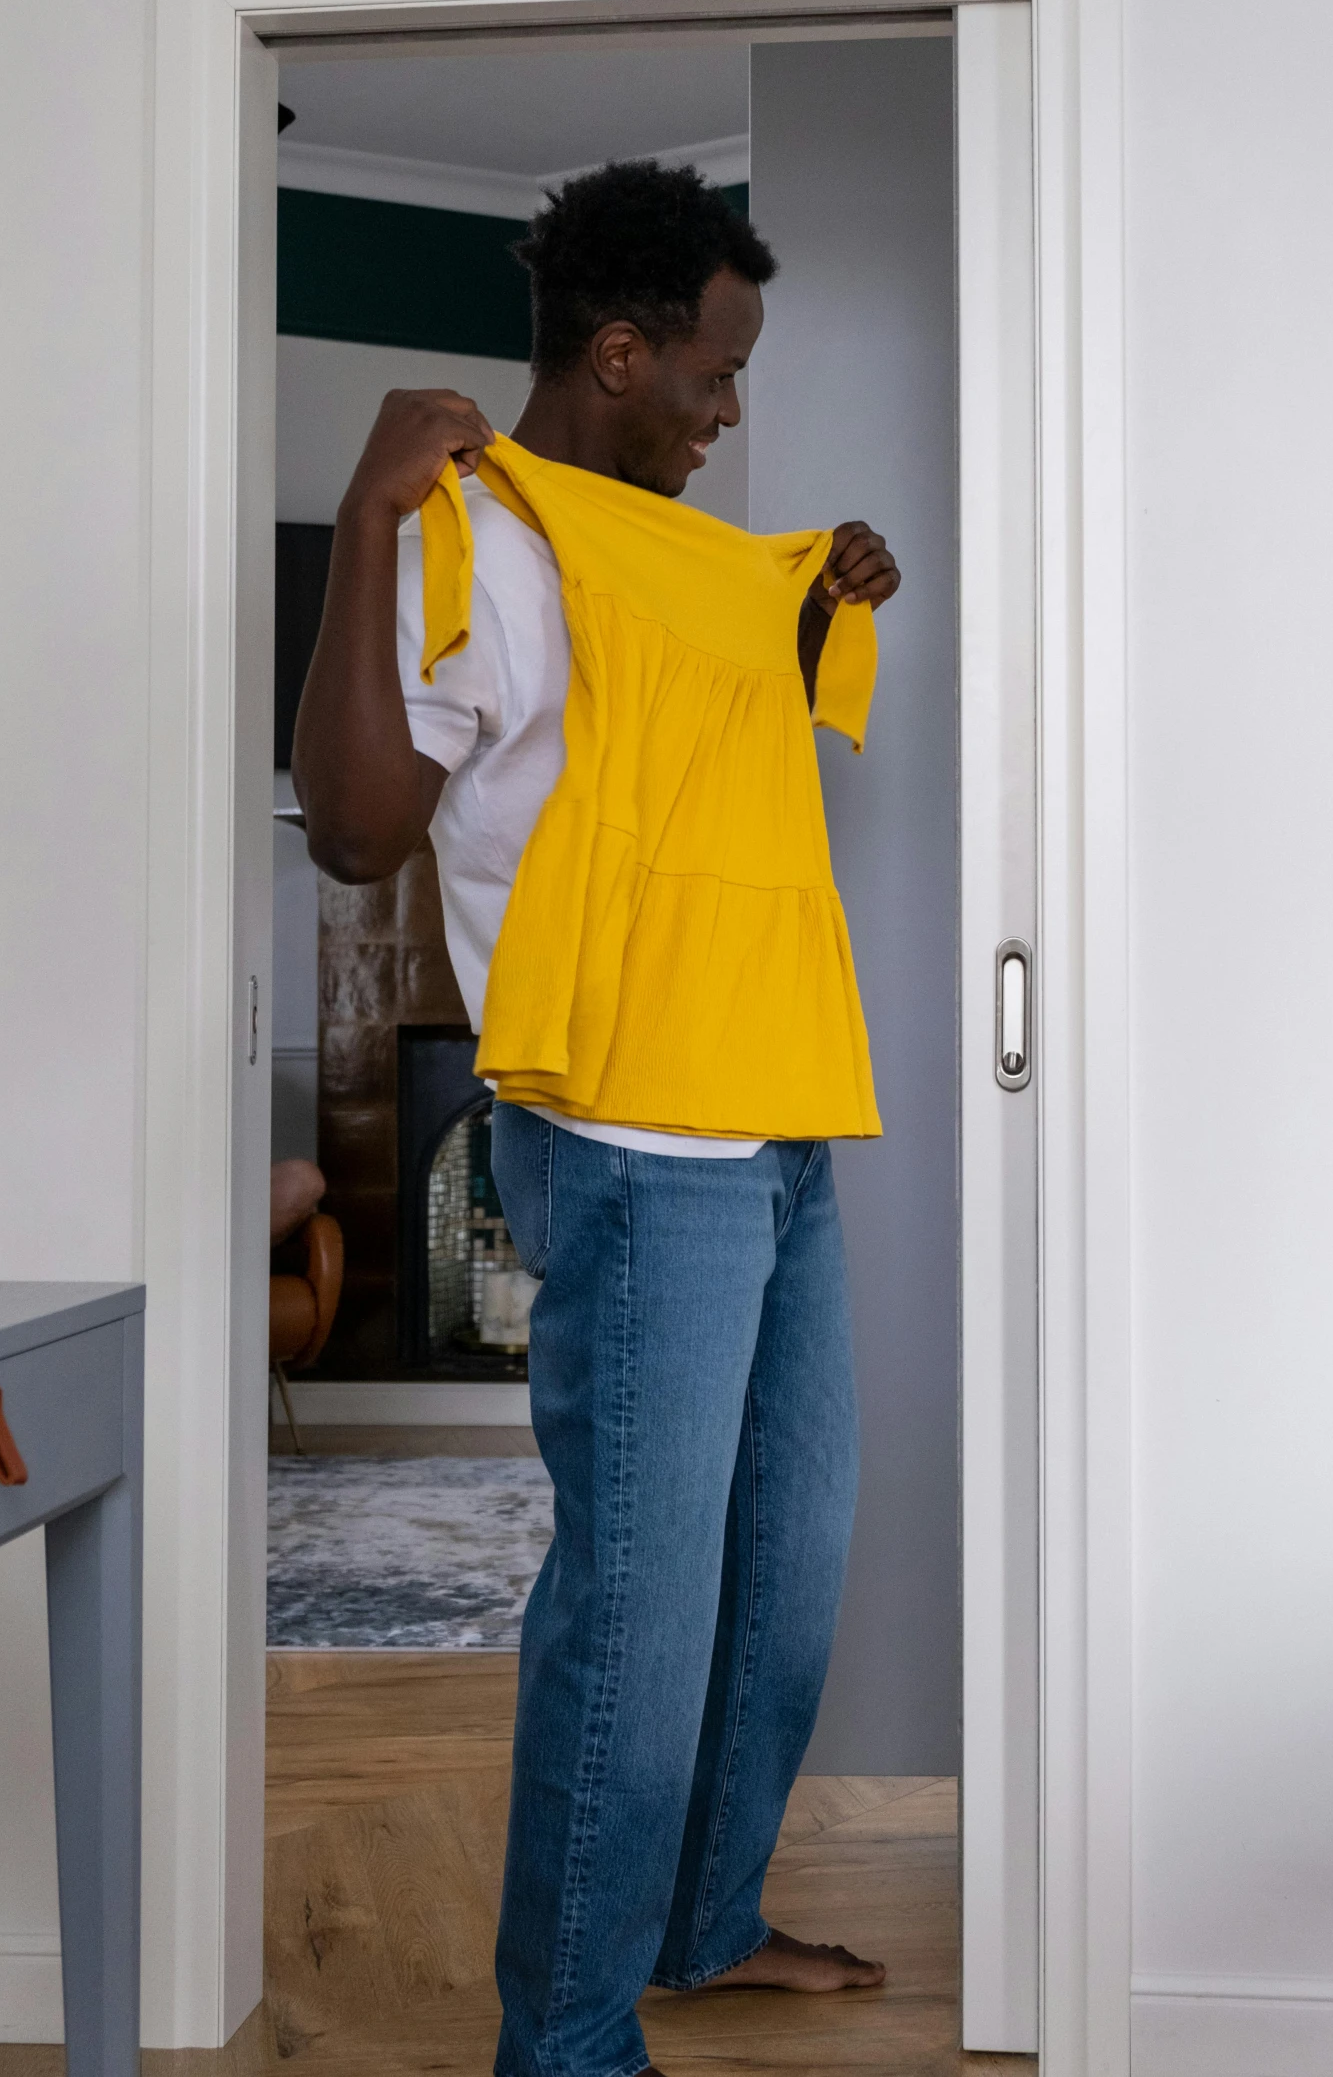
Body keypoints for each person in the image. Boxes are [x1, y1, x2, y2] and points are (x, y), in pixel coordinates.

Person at [293, 161, 901, 2077]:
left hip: (777, 1125)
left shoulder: (691, 563)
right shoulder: (472, 539)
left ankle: (702, 1918)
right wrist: (360, 523)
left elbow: (713, 784)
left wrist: (811, 610)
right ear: (619, 351)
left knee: (782, 1581)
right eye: (714, 372)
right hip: (631, 1146)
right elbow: (356, 831)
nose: (730, 413)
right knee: (635, 1609)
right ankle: (561, 2035)